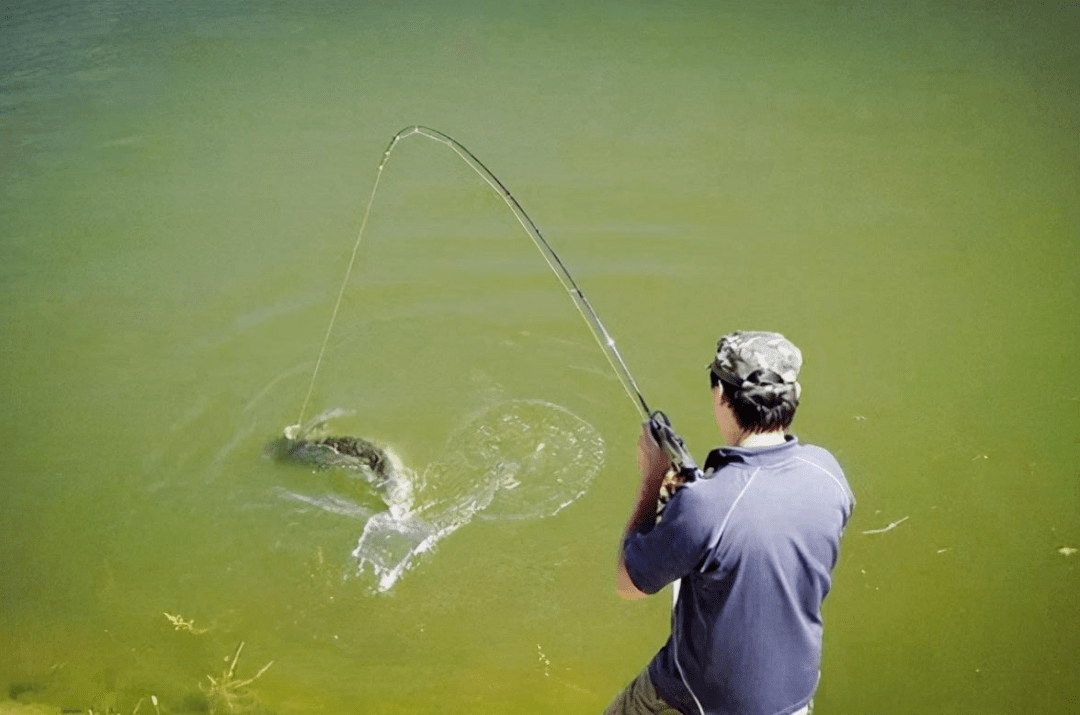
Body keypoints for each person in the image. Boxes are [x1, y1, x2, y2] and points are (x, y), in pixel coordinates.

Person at [607, 331, 855, 715]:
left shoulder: (706, 506)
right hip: (794, 697)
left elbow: (629, 585)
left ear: (721, 395)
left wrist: (652, 478)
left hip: (701, 700)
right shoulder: (827, 472)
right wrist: (697, 498)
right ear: (795, 393)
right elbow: (759, 529)